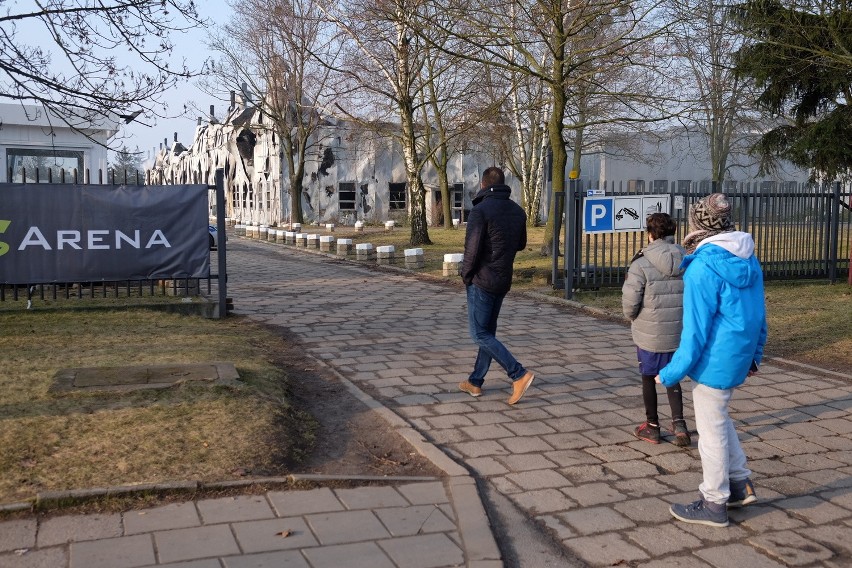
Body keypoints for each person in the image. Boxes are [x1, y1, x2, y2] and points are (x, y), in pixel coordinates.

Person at [655, 193, 767, 528]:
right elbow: (760, 314)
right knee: (718, 416)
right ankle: (739, 483)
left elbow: (695, 331)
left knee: (711, 429)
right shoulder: (747, 257)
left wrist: (671, 372)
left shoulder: (702, 267)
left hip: (714, 359)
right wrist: (755, 355)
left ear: (697, 226)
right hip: (739, 353)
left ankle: (714, 501)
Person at [458, 166, 535, 405]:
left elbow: (472, 249)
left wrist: (466, 275)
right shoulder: (517, 211)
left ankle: (518, 374)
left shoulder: (480, 211)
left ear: (483, 185)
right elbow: (521, 244)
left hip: (481, 280)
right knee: (487, 333)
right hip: (503, 280)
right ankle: (475, 382)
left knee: (478, 333)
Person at [622, 213, 689, 446]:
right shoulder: (687, 259)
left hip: (649, 331)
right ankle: (680, 425)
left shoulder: (640, 263)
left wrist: (631, 316)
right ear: (672, 234)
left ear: (650, 234)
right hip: (678, 331)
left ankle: (652, 426)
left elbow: (631, 301)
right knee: (672, 376)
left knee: (648, 377)